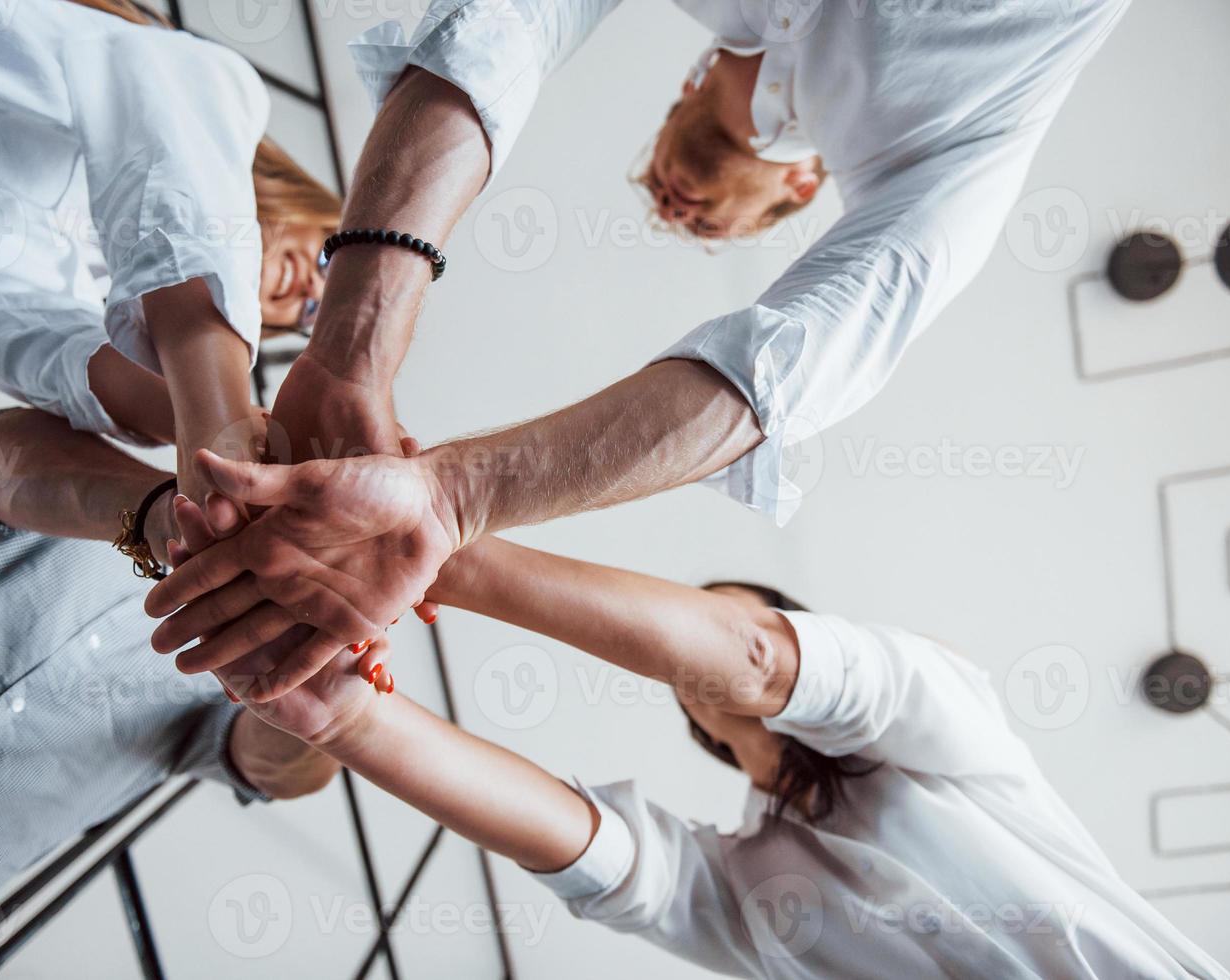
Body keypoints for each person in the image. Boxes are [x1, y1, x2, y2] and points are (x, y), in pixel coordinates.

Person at [146, 0, 1132, 673]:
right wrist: (351, 345)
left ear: (806, 185)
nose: (671, 201)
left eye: (700, 225)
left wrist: (451, 495)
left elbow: (784, 368)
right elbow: (504, 23)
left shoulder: (961, 147)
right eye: (670, 196)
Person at [170, 516, 1230, 978]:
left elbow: (760, 655)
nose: (699, 648)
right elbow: (604, 856)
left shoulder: (948, 732)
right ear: (695, 721)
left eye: (708, 621)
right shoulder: (753, 879)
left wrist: (427, 551)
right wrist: (348, 719)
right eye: (679, 644)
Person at [0, 413, 341, 979]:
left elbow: (283, 773)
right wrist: (155, 512)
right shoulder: (93, 496)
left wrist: (319, 673)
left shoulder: (241, 671)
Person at [0, 0, 337, 507]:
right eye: (329, 260)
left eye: (310, 310)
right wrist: (220, 417)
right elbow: (161, 110)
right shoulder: (209, 92)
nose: (311, 287)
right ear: (304, 199)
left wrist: (252, 442)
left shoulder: (92, 298)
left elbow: (31, 347)